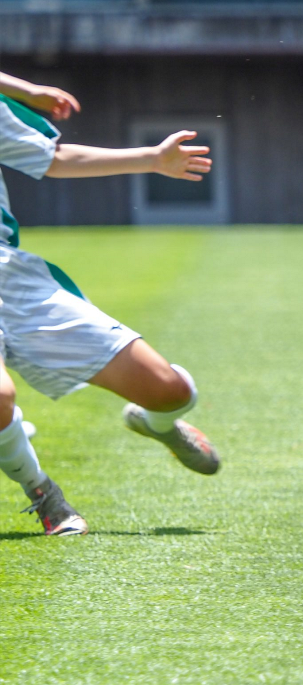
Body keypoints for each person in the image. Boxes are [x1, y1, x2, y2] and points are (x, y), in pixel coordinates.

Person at [0, 72, 221, 537]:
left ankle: (157, 424)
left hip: (12, 281)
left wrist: (154, 159)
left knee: (170, 392)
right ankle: (43, 493)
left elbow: (54, 159)